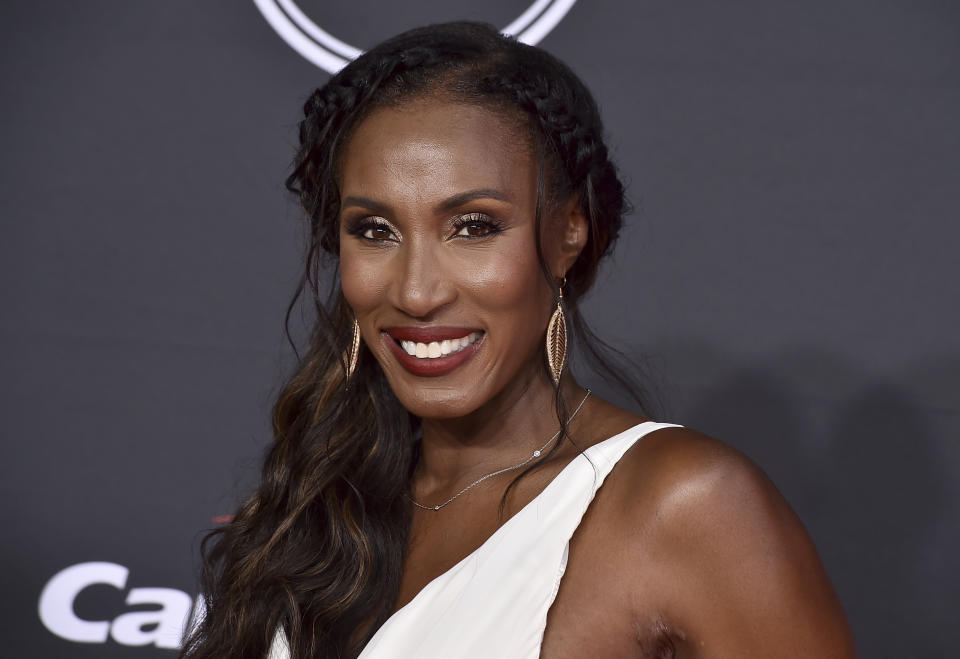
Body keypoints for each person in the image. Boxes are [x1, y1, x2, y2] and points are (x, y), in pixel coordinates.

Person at [179, 21, 856, 659]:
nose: (416, 292)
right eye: (375, 230)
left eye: (472, 225)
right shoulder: (318, 502)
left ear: (569, 231)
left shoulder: (685, 503)